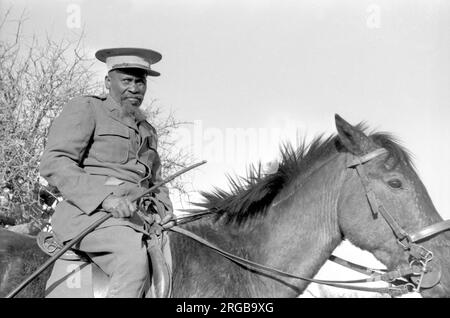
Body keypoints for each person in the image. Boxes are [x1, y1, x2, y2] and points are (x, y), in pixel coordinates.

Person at [39, 47, 174, 297]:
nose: (135, 88)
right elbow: (55, 161)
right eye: (127, 80)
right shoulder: (87, 109)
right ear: (107, 82)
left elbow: (157, 181)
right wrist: (106, 199)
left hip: (137, 220)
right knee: (132, 261)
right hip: (89, 216)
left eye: (140, 82)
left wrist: (165, 210)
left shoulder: (147, 130)